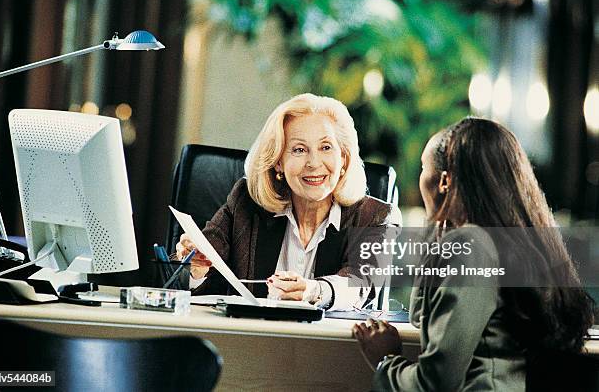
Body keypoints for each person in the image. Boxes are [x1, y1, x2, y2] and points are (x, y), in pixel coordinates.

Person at [353, 117, 595, 391]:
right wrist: (440, 227)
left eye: (423, 168)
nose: (420, 179)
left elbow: (434, 382)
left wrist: (387, 360)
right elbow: (422, 317)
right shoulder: (503, 241)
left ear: (444, 181)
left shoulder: (471, 244)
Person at [175, 93, 401, 310]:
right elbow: (204, 279)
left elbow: (359, 284)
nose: (313, 162)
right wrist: (195, 268)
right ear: (278, 163)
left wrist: (315, 291)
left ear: (343, 158)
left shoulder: (377, 217)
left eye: (325, 147)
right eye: (299, 149)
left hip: (332, 348)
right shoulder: (245, 201)